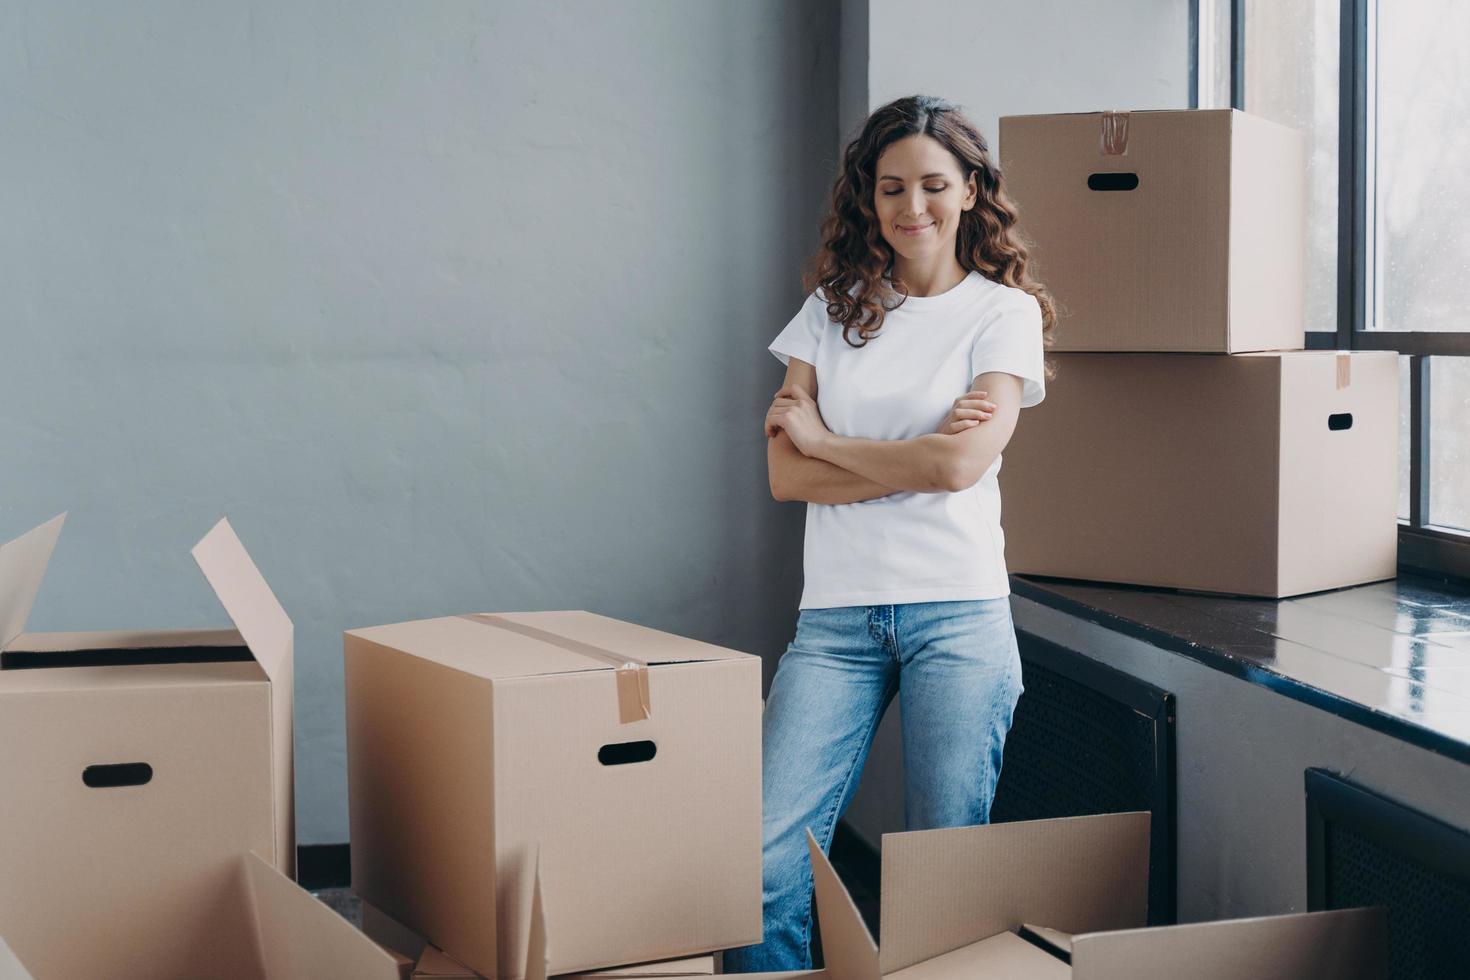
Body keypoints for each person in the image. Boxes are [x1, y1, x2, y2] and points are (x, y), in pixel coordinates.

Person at [722, 94, 1057, 971]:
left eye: (935, 185)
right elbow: (783, 477)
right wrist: (904, 453)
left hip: (959, 613)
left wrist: (829, 441)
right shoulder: (830, 311)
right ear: (867, 200)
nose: (914, 208)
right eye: (892, 188)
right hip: (837, 620)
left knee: (943, 875)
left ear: (973, 190)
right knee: (762, 854)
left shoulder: (1002, 315)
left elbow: (958, 468)